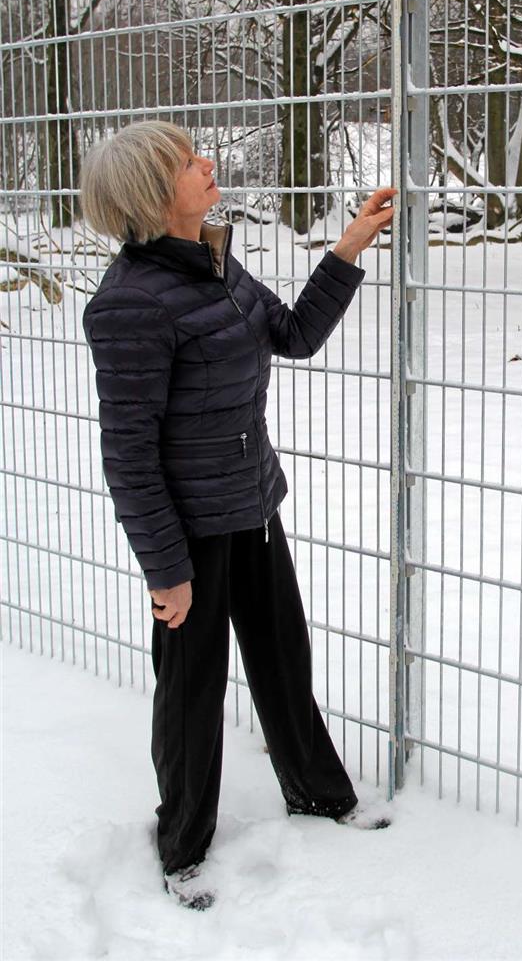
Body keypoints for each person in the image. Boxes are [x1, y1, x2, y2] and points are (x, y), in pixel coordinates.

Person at [79, 120, 397, 911]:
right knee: (191, 692)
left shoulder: (216, 262)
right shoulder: (128, 305)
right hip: (188, 535)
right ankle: (183, 849)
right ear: (156, 195)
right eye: (189, 162)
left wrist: (349, 245)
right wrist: (167, 571)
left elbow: (291, 335)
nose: (207, 164)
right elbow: (129, 456)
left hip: (252, 505)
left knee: (283, 659)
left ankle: (318, 793)